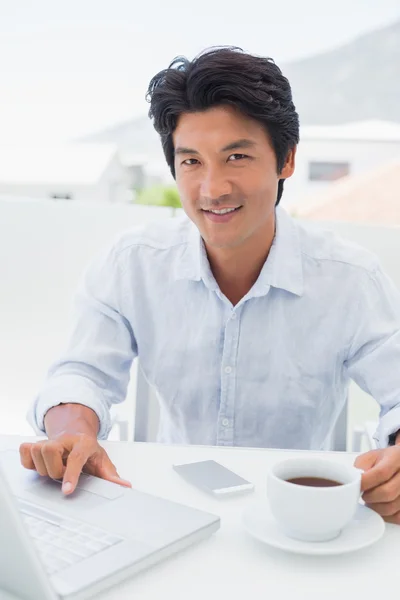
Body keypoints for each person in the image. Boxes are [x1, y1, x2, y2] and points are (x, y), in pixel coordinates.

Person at [20, 47, 400, 523]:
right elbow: (82, 372)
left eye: (236, 156)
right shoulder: (134, 263)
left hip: (298, 517)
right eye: (192, 162)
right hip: (167, 506)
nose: (212, 189)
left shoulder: (350, 278)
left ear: (286, 160)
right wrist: (70, 431)